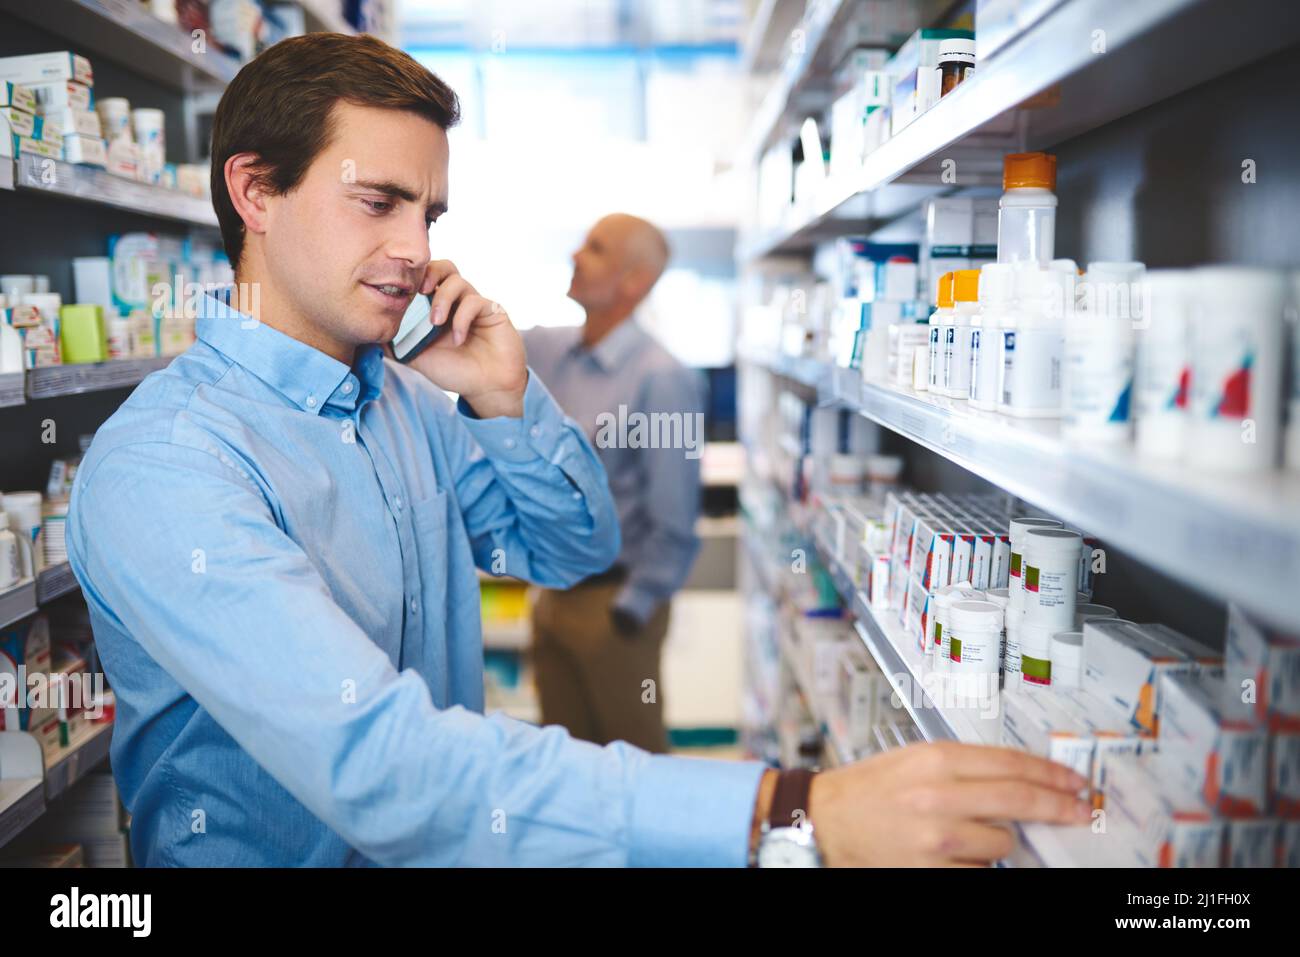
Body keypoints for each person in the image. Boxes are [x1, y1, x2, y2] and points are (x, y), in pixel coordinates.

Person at [68, 33, 1093, 868]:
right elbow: (385, 763)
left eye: (427, 213)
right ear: (254, 192)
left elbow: (564, 550)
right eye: (377, 201)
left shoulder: (411, 401)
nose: (417, 249)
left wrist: (508, 403)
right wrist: (790, 812)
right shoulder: (169, 465)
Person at [522, 214, 699, 753]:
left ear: (634, 282)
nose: (576, 255)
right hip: (552, 594)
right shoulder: (552, 352)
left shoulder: (661, 377)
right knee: (569, 761)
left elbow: (674, 514)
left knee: (636, 762)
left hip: (613, 608)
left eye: (595, 249)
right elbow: (471, 338)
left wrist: (630, 611)